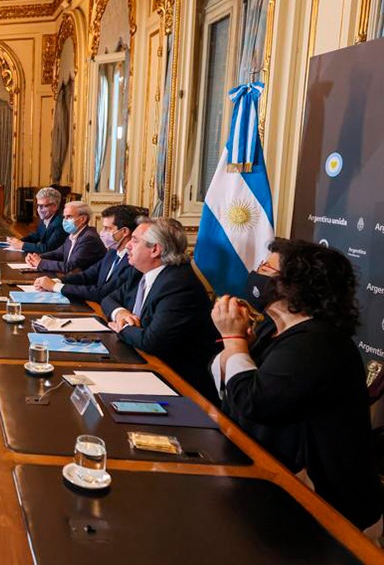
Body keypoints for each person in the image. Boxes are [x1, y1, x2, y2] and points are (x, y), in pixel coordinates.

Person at [211, 239, 383, 536]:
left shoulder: (317, 342)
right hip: (268, 476)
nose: (257, 273)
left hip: (326, 510)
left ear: (296, 285)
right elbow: (228, 389)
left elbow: (254, 402)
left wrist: (234, 341)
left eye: (266, 268)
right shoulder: (272, 328)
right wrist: (237, 346)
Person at [101, 217, 220, 403]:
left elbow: (151, 342)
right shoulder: (143, 272)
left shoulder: (178, 284)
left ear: (155, 249)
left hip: (180, 386)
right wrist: (121, 313)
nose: (128, 246)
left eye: (135, 240)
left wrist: (122, 328)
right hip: (144, 364)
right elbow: (108, 299)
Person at [34, 204, 144, 302]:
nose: (102, 232)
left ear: (124, 232)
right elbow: (87, 275)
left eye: (107, 228)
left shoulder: (133, 261)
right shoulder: (112, 252)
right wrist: (56, 281)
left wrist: (56, 287)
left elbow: (101, 292)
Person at [24, 201, 105, 275]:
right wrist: (37, 257)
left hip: (85, 284)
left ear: (83, 219)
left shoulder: (89, 238)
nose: (65, 220)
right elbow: (58, 253)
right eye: (64, 217)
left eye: (69, 217)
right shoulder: (73, 234)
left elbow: (70, 267)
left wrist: (41, 263)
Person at [7, 186, 66, 253]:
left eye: (42, 206)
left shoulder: (60, 223)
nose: (38, 210)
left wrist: (22, 245)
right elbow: (36, 236)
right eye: (38, 205)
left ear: (54, 206)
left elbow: (48, 248)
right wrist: (18, 241)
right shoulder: (46, 217)